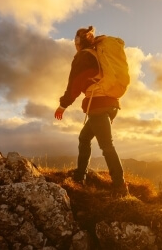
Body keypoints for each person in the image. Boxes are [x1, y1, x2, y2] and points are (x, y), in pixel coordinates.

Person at [54, 26, 128, 196]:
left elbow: (74, 83)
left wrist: (63, 105)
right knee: (84, 137)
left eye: (75, 40)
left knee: (107, 145)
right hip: (111, 103)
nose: (74, 43)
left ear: (78, 42)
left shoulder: (83, 56)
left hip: (98, 105)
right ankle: (80, 176)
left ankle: (120, 185)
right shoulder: (97, 54)